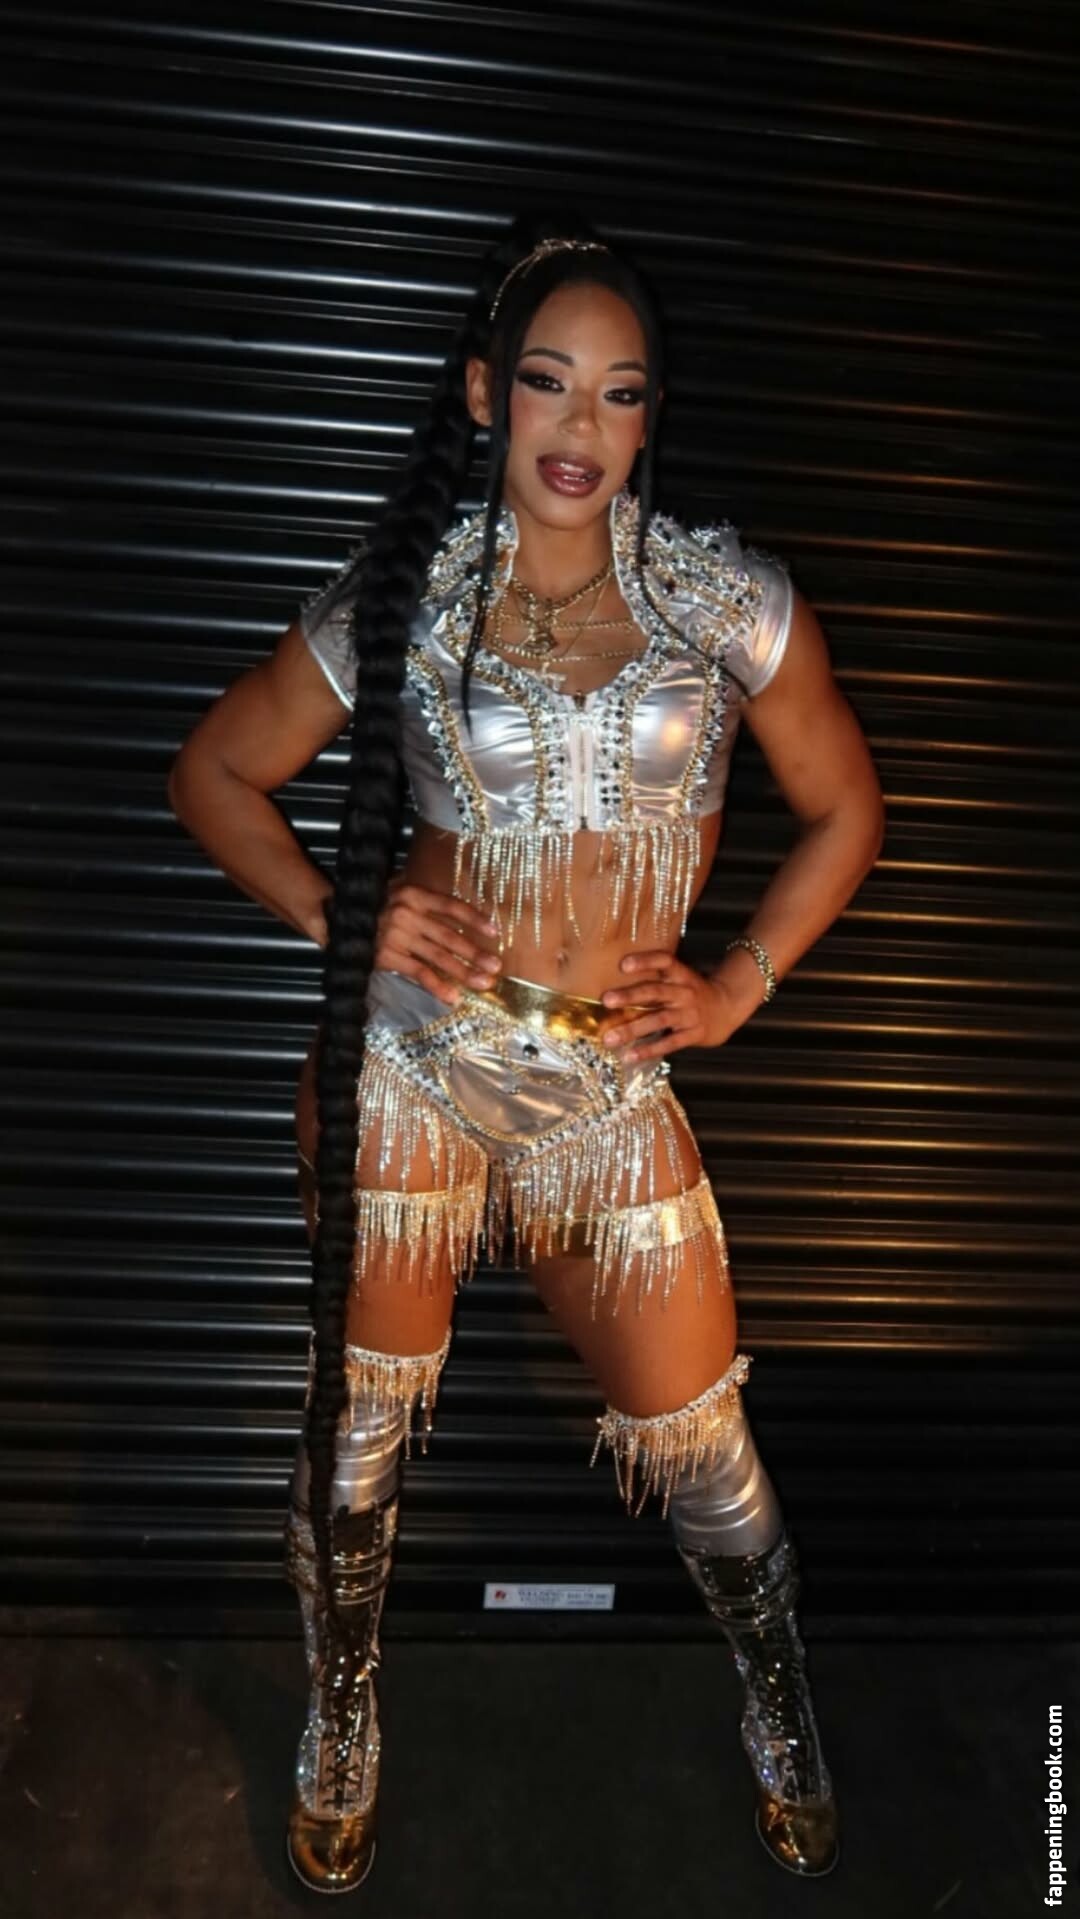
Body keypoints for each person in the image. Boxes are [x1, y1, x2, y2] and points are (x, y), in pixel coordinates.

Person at [168, 208, 884, 1895]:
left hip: (604, 1094)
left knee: (708, 1450)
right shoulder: (408, 595)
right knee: (357, 1440)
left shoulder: (724, 602)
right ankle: (344, 1708)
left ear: (650, 417)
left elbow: (848, 807)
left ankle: (780, 1698)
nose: (581, 426)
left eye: (619, 393)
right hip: (412, 1072)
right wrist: (347, 920)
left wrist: (737, 987)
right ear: (489, 393)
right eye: (549, 382)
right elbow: (213, 772)